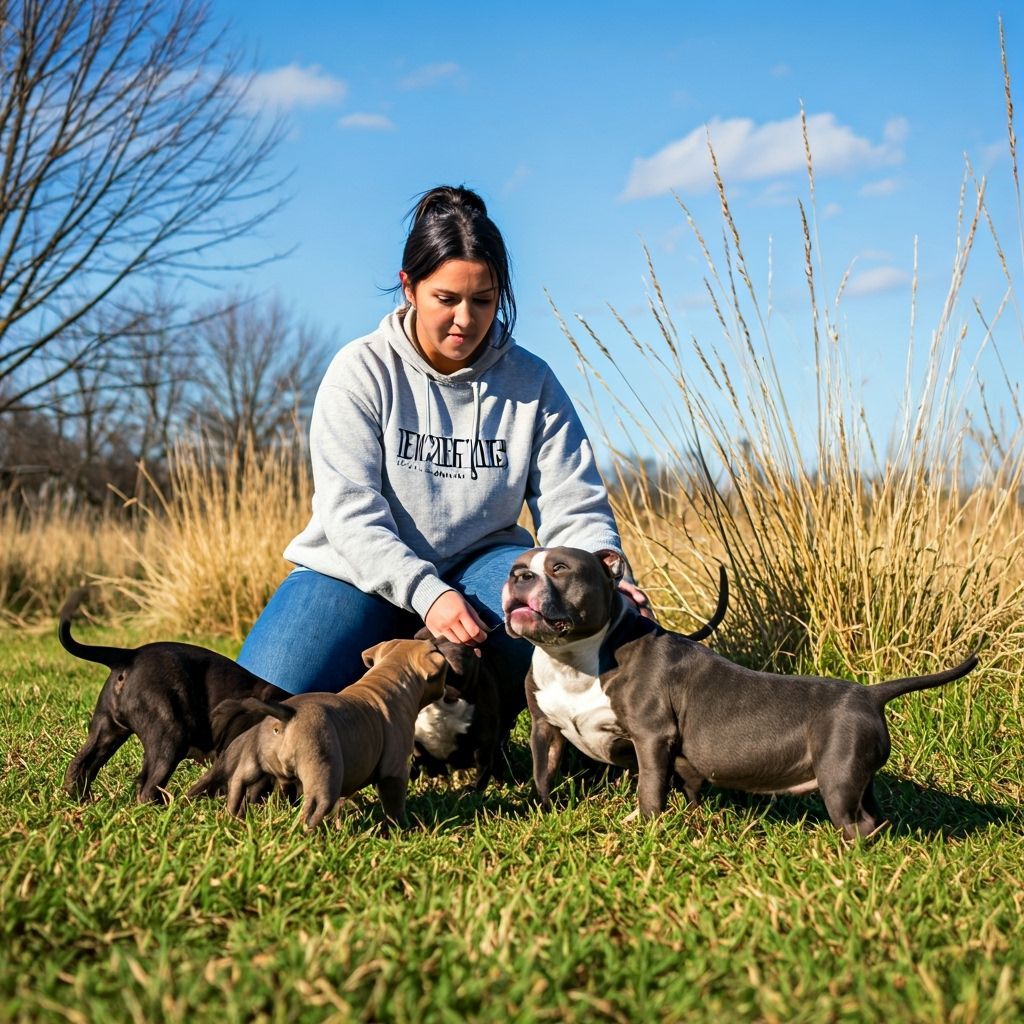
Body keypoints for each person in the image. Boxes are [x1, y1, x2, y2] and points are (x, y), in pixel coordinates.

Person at [238, 184, 647, 694]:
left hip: (481, 572)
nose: (466, 319)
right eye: (446, 299)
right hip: (353, 575)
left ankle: (482, 718)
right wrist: (425, 594)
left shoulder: (532, 382)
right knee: (259, 706)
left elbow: (574, 504)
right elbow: (350, 514)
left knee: (609, 646)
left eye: (483, 300)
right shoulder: (361, 371)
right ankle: (387, 681)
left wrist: (607, 587)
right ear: (408, 286)